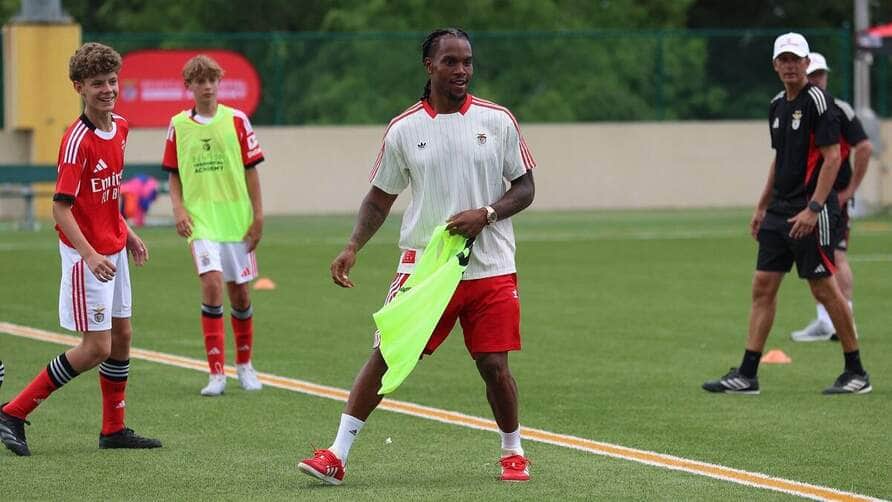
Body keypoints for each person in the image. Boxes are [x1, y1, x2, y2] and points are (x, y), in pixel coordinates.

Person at [297, 27, 537, 484]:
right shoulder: (404, 129)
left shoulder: (499, 120)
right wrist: (352, 247)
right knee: (386, 352)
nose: (461, 70)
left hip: (491, 266)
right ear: (429, 66)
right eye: (450, 61)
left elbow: (525, 188)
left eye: (467, 61)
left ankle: (513, 450)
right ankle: (336, 454)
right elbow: (380, 197)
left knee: (493, 365)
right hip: (424, 267)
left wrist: (485, 214)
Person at [0, 43, 162, 456]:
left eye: (111, 81)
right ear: (79, 88)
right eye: (96, 84)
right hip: (85, 255)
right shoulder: (77, 141)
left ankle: (113, 429)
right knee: (96, 347)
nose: (107, 89)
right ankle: (13, 412)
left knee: (122, 336)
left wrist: (127, 232)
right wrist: (89, 254)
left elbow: (107, 196)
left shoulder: (121, 127)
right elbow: (61, 207)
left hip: (113, 249)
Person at [703, 33, 871, 395]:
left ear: (807, 64)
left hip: (810, 210)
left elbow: (833, 158)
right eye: (785, 59)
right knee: (763, 286)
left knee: (824, 287)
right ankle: (747, 374)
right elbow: (779, 159)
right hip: (779, 211)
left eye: (797, 59)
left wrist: (814, 208)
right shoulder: (777, 105)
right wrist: (762, 206)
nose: (791, 65)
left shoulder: (819, 102)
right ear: (775, 65)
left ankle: (856, 372)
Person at [163, 55, 266, 396]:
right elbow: (174, 175)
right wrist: (178, 209)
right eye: (199, 81)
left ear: (219, 84)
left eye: (212, 80)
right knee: (211, 285)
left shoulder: (237, 120)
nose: (206, 86)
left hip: (236, 221)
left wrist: (258, 216)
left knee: (240, 293)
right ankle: (216, 373)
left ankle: (246, 366)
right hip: (201, 222)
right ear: (188, 86)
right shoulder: (178, 125)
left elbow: (252, 171)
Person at [790, 52, 873, 342]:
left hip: (833, 199)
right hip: (806, 198)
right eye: (813, 74)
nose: (817, 79)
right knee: (817, 258)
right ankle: (826, 322)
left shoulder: (839, 109)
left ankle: (845, 322)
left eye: (821, 74)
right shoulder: (795, 108)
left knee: (836, 255)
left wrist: (849, 191)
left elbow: (864, 147)